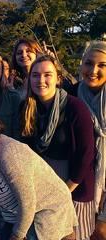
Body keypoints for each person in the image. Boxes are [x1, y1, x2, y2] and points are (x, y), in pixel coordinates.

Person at [0, 105, 77, 239]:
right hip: (15, 215)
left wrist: (17, 236)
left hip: (47, 212)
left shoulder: (9, 153)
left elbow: (28, 202)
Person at [21, 55, 96, 240]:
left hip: (74, 185)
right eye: (36, 75)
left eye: (48, 74)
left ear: (57, 78)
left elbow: (86, 153)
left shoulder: (75, 107)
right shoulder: (28, 108)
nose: (41, 80)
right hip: (43, 186)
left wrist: (65, 189)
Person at [72, 41, 106, 239]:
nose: (93, 70)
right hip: (83, 187)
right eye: (89, 63)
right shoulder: (73, 95)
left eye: (102, 65)